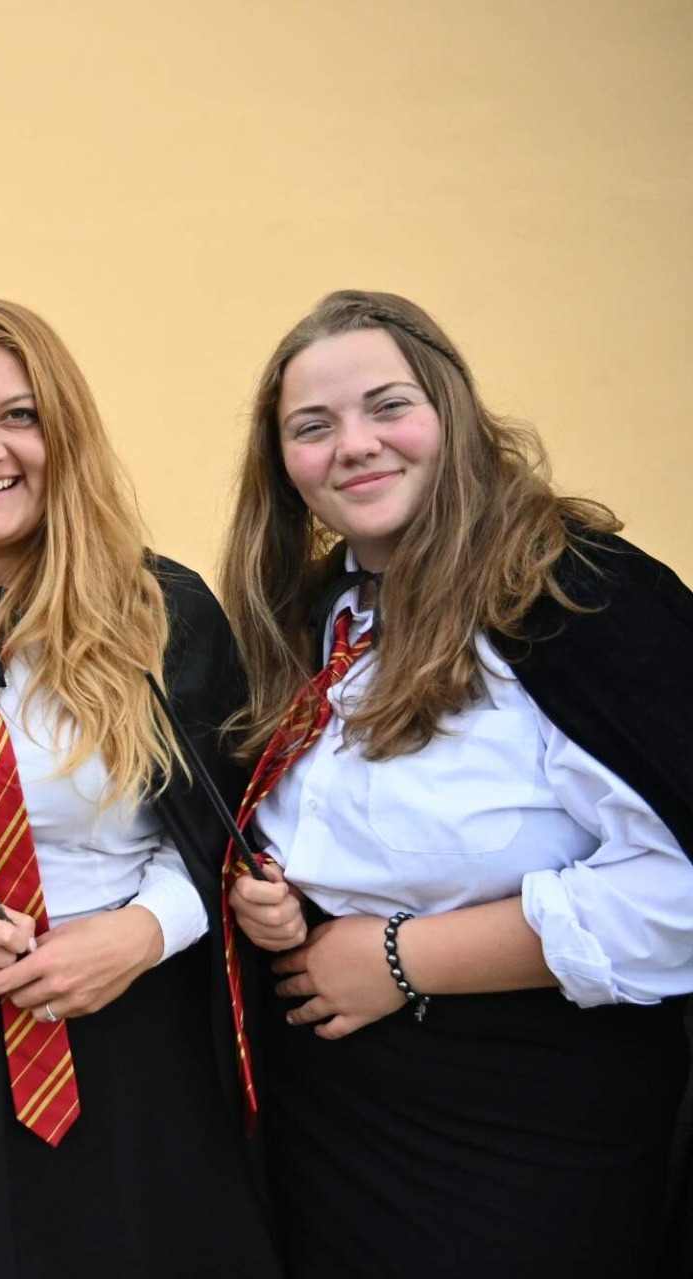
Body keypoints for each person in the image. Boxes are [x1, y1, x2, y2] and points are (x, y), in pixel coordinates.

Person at [220, 289, 693, 1278]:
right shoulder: (310, 620)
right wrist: (274, 897)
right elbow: (318, 824)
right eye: (313, 426)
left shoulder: (580, 598)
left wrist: (403, 957)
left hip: (526, 1136)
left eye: (388, 406)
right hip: (331, 1133)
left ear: (452, 412)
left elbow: (678, 894)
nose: (355, 445)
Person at [0, 296, 279, 1277]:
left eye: (18, 415)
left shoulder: (161, 613)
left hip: (136, 1035)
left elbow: (231, 828)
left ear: (62, 431)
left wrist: (142, 931)